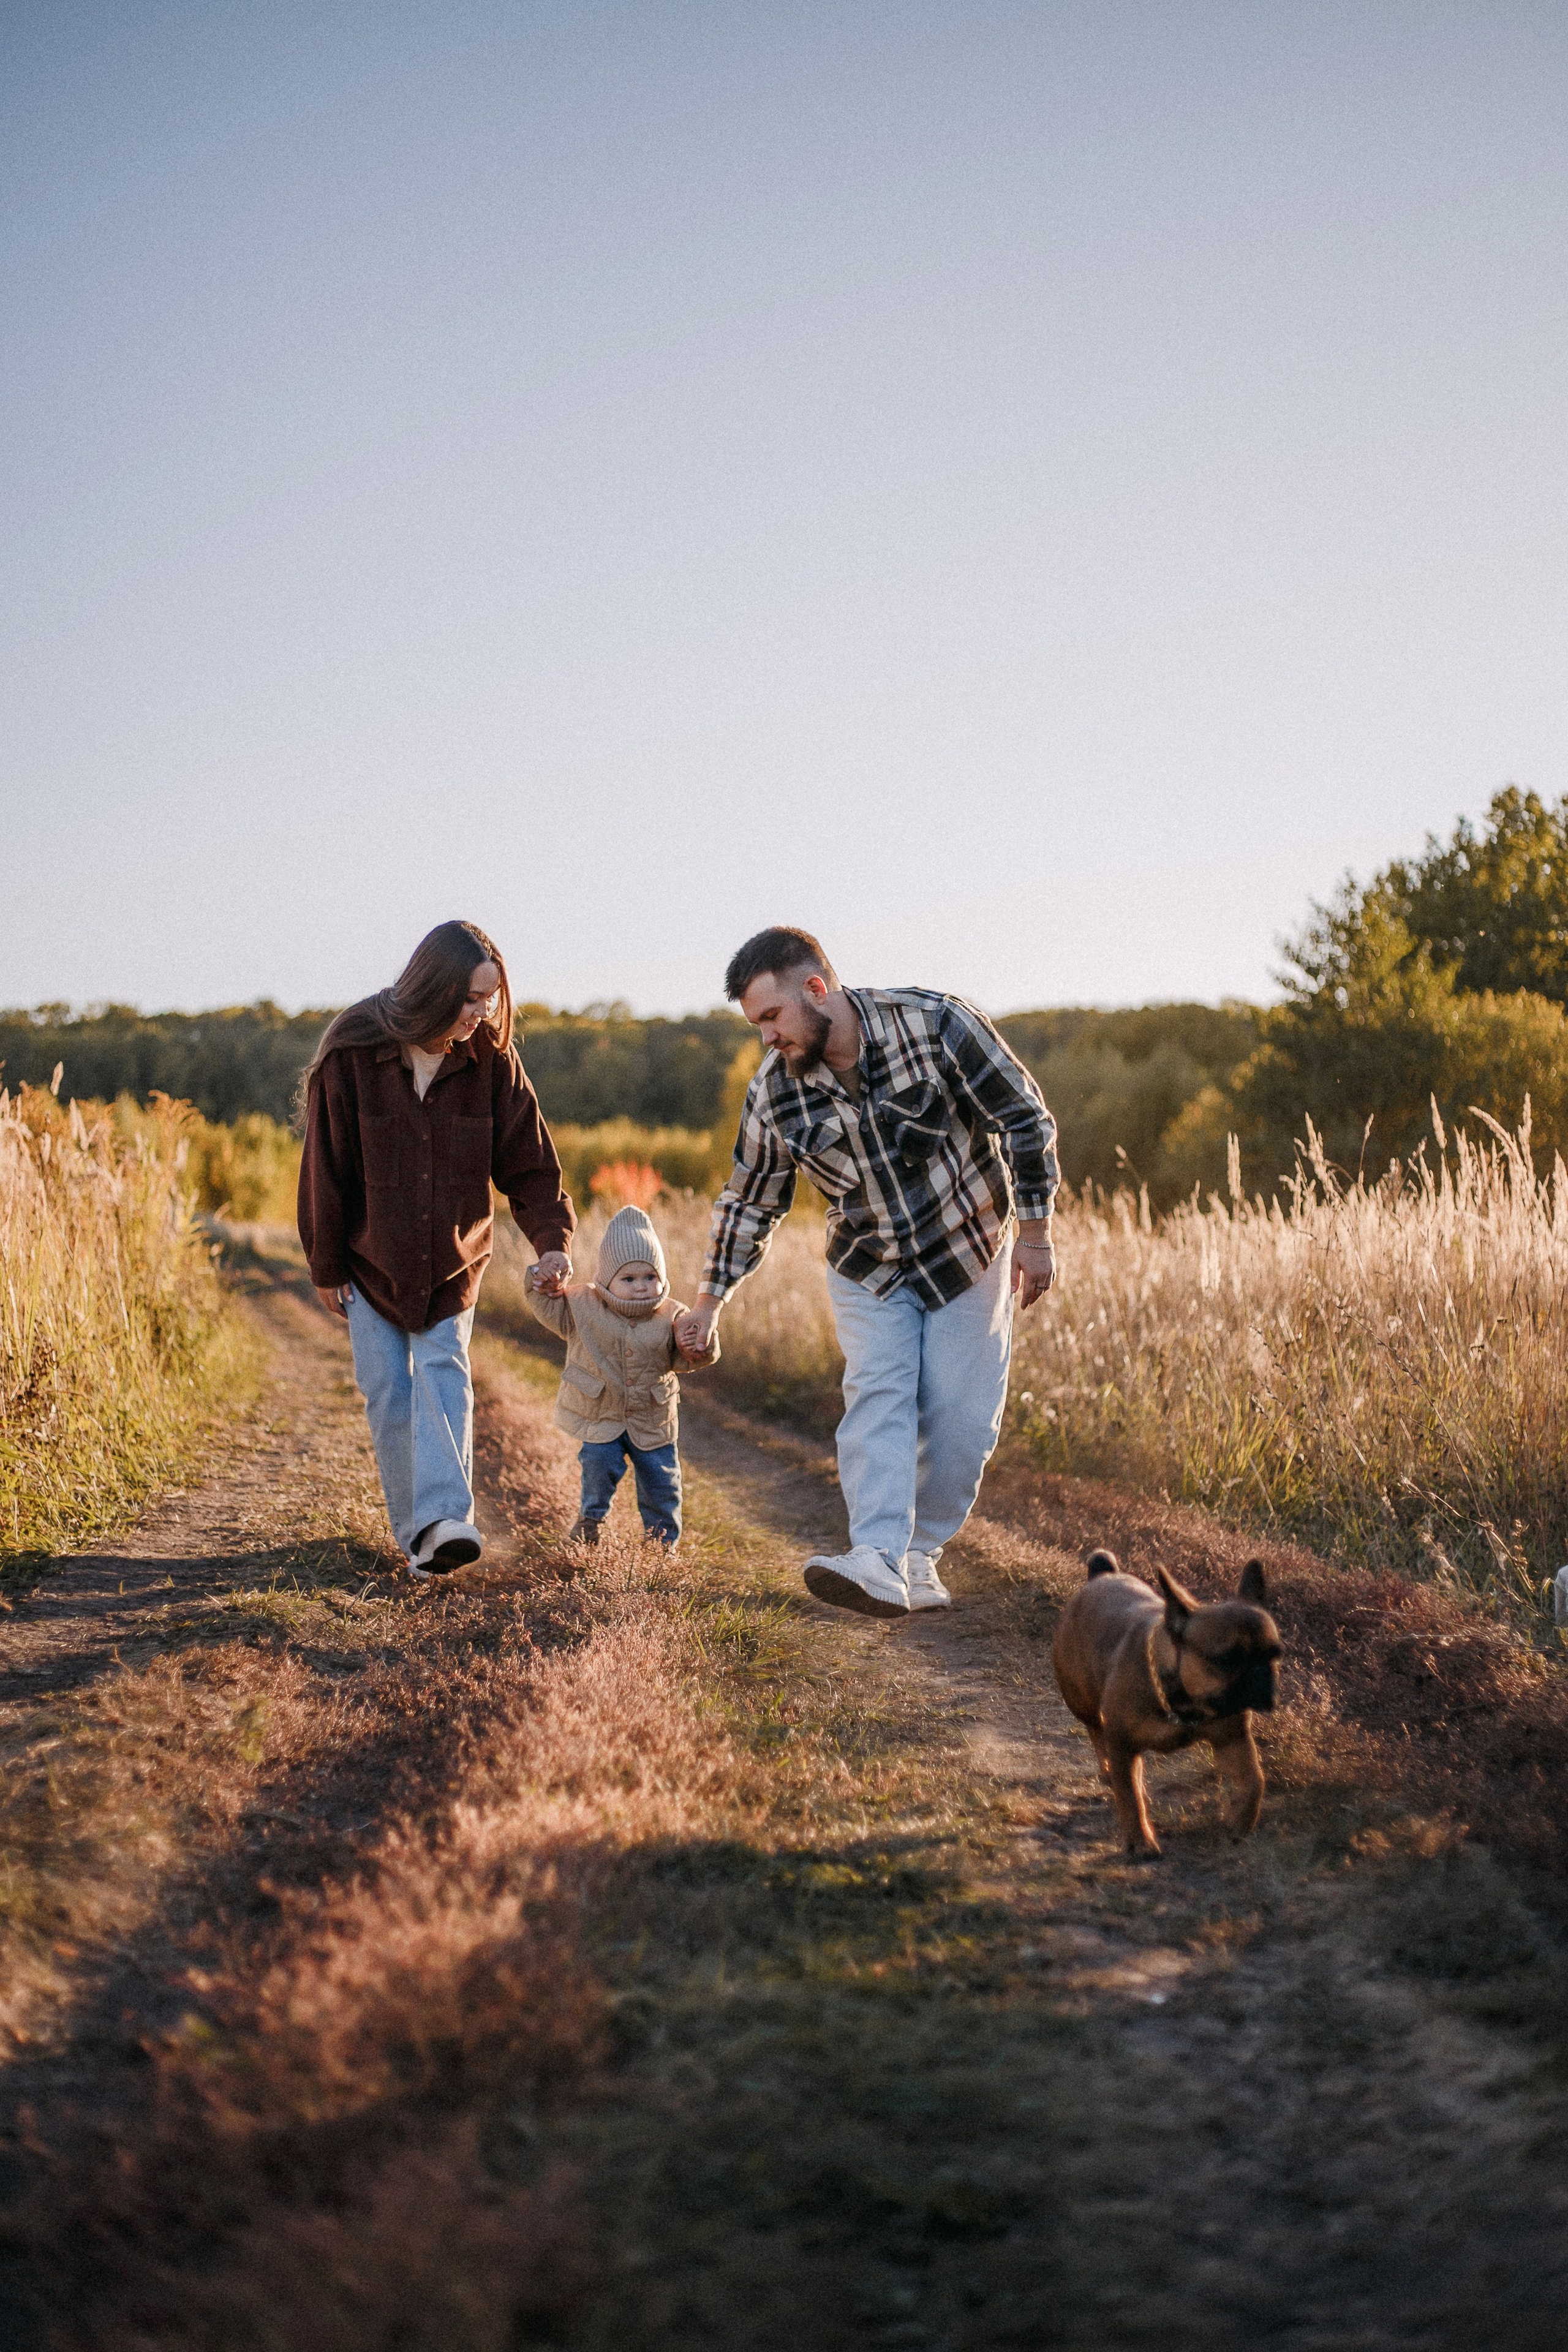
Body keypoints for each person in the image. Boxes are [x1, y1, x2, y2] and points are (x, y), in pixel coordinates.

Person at [675, 927, 1058, 1618]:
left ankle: (919, 1555)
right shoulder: (775, 1093)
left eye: (772, 1017)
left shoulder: (935, 1024)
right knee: (878, 1396)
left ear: (816, 989)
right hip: (868, 1266)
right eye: (757, 1024)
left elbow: (1025, 1119)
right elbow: (750, 1201)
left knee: (960, 1423)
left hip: (969, 1252)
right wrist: (708, 1302)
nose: (766, 1037)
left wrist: (1035, 1236)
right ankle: (877, 1555)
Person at [297, 919, 574, 1577]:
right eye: (471, 999)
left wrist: (551, 1243)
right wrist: (325, 1265)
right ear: (433, 989)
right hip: (370, 1263)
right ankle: (418, 1535)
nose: (482, 1014)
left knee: (443, 1370)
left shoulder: (492, 1061)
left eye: (490, 1000)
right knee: (389, 1392)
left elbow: (530, 1164)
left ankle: (447, 1520)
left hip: (454, 1262)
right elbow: (324, 1168)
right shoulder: (353, 1052)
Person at [525, 1202, 718, 1550]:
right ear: (606, 1279)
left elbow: (688, 1357)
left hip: (653, 1419)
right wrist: (543, 1280)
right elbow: (546, 1304)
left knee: (662, 1482)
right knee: (598, 1467)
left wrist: (699, 1346)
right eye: (628, 1279)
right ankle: (590, 1522)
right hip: (601, 1415)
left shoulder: (674, 1315)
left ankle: (661, 1545)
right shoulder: (582, 1305)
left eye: (650, 1277)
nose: (641, 1287)